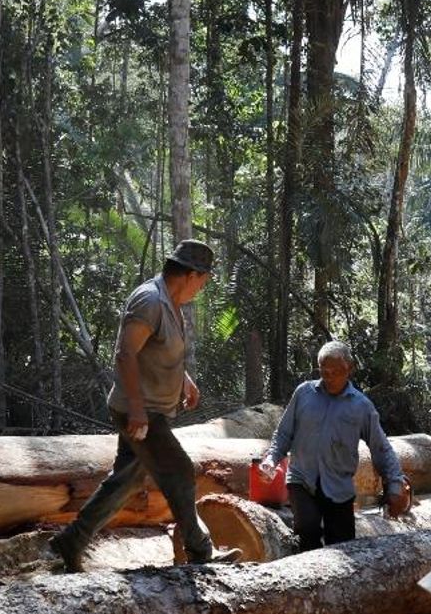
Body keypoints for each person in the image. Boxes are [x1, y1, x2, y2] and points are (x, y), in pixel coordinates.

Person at [51, 240, 240, 570]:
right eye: (203, 280)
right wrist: (137, 410)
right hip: (140, 412)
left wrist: (184, 380)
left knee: (126, 480)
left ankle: (71, 542)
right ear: (191, 275)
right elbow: (125, 354)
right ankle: (200, 553)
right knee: (180, 471)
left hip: (149, 410)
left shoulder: (171, 302)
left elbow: (157, 350)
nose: (203, 287)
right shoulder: (150, 301)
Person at [259, 341, 412, 553]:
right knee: (308, 531)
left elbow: (381, 448)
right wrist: (271, 459)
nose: (329, 377)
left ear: (350, 369)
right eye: (324, 372)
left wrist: (395, 484)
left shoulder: (361, 406)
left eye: (336, 372)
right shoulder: (303, 394)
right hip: (302, 479)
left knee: (343, 548)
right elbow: (284, 433)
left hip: (339, 487)